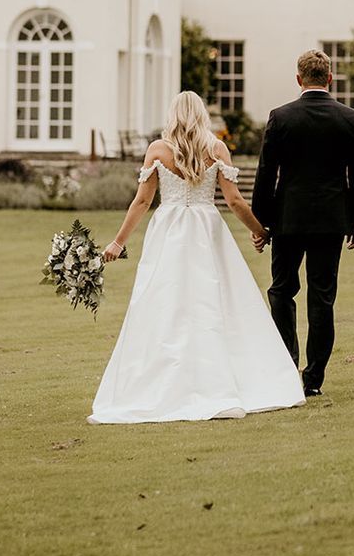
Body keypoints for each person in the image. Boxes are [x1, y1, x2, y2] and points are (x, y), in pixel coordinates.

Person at [88, 91, 305, 423]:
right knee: (216, 300)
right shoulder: (216, 148)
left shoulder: (158, 150)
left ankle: (167, 380)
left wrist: (118, 242)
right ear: (202, 114)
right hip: (206, 229)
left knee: (166, 301)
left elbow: (142, 202)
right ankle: (222, 376)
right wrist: (260, 230)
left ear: (173, 114)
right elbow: (234, 202)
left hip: (169, 229)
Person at [252, 48, 354, 397]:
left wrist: (261, 223)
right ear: (330, 78)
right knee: (322, 298)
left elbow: (266, 174)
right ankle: (313, 379)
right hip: (331, 221)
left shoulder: (281, 117)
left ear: (299, 79)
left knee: (281, 291)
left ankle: (288, 367)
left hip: (287, 219)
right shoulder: (348, 118)